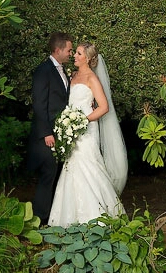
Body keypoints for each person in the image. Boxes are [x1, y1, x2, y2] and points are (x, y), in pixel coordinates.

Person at [47, 42, 127, 228]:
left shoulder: (92, 78)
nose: (74, 55)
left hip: (86, 130)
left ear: (88, 58)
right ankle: (70, 218)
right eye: (75, 52)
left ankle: (99, 218)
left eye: (79, 53)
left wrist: (83, 120)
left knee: (89, 167)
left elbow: (104, 107)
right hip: (71, 129)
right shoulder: (73, 76)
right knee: (71, 167)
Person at [29, 32, 73, 225]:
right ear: (58, 50)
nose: (71, 54)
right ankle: (40, 218)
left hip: (60, 132)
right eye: (69, 50)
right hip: (48, 134)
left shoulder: (62, 70)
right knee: (48, 175)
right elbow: (39, 104)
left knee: (55, 175)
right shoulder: (43, 70)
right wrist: (47, 132)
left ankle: (52, 217)